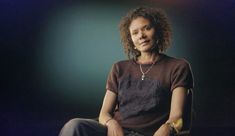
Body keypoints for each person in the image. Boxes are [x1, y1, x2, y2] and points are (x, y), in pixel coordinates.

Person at [59, 6, 194, 136]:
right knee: (74, 126)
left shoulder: (178, 67)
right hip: (116, 132)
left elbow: (178, 117)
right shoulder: (119, 68)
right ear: (131, 40)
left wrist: (168, 128)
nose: (141, 35)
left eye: (147, 28)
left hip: (150, 134)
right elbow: (104, 113)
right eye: (135, 33)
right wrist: (111, 123)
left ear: (158, 31)